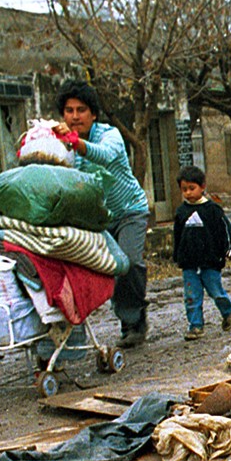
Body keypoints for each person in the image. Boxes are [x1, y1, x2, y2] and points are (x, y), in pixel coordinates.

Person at [54, 82, 152, 348]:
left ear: (93, 114)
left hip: (130, 210)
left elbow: (105, 156)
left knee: (128, 262)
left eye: (81, 110)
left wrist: (76, 144)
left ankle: (133, 322)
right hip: (98, 219)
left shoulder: (109, 135)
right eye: (69, 110)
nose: (75, 116)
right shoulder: (59, 145)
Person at [172, 165, 231, 340]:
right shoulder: (181, 212)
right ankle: (195, 326)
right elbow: (177, 236)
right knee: (191, 296)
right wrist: (177, 256)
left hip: (210, 261)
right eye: (184, 189)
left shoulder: (213, 210)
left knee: (215, 291)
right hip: (189, 264)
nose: (188, 193)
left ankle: (227, 312)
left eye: (192, 188)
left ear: (202, 187)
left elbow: (226, 231)